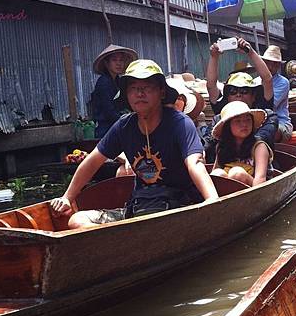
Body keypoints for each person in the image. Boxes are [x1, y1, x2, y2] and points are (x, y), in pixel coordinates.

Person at [50, 60, 218, 228]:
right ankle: (120, 246)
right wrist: (67, 197)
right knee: (77, 221)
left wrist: (211, 199)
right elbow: (93, 161)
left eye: (147, 87)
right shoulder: (124, 126)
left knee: (153, 220)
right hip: (139, 207)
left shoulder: (180, 123)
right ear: (127, 95)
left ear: (161, 92)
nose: (140, 93)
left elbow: (195, 163)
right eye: (133, 88)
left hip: (180, 205)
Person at [211, 101, 271, 187]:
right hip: (228, 192)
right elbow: (214, 175)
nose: (244, 124)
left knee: (237, 173)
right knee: (218, 174)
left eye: (248, 120)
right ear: (228, 126)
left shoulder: (259, 146)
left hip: (255, 189)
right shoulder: (222, 147)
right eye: (238, 121)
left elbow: (260, 179)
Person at [206, 38, 274, 113]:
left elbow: (268, 80)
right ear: (227, 97)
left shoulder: (260, 109)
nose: (238, 95)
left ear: (253, 96)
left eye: (244, 91)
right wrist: (214, 56)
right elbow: (211, 86)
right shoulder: (222, 109)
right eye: (233, 91)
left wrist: (251, 52)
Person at [91, 44, 138, 138]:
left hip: (116, 124)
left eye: (121, 60)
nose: (118, 63)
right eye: (114, 60)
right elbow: (109, 111)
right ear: (106, 63)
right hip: (105, 128)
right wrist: (127, 122)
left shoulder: (119, 81)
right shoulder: (104, 82)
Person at [260, 46, 293, 142]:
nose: (270, 67)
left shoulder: (283, 82)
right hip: (258, 123)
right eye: (268, 63)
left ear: (278, 66)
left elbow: (270, 105)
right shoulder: (255, 81)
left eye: (274, 64)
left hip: (281, 123)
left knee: (269, 130)